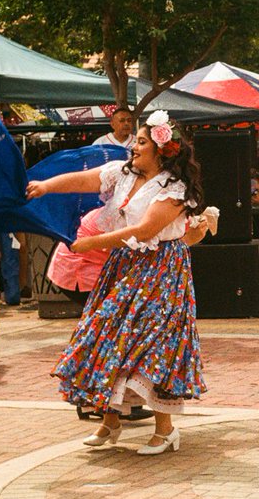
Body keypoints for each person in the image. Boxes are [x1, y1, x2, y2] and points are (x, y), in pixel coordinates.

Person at [27, 111, 207, 453]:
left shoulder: (174, 189)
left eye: (141, 142)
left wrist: (92, 243)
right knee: (107, 337)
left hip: (161, 271)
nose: (134, 148)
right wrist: (46, 187)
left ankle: (165, 429)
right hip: (124, 266)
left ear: (162, 150)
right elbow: (85, 179)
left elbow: (144, 231)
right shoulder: (123, 174)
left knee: (149, 345)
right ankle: (110, 422)